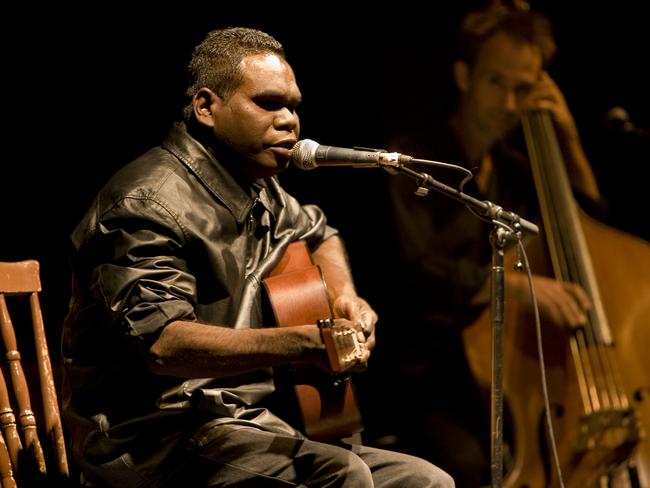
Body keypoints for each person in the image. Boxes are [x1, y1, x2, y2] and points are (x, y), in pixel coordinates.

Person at [60, 27, 454, 487]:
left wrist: (345, 299)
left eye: (294, 106)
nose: (290, 121)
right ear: (207, 107)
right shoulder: (146, 203)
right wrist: (309, 341)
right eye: (269, 103)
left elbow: (319, 231)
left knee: (424, 481)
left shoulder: (257, 185)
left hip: (250, 422)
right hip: (154, 439)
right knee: (341, 475)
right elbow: (163, 345)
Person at [360, 5, 604, 487]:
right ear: (463, 75)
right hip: (426, 378)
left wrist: (569, 139)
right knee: (471, 468)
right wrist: (512, 287)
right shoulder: (414, 163)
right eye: (497, 83)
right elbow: (419, 270)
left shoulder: (517, 173)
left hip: (510, 379)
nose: (511, 105)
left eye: (523, 89)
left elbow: (592, 235)